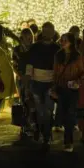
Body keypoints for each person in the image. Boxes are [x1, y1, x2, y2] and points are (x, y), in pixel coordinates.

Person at [25, 22, 60, 150]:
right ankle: (43, 133)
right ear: (42, 32)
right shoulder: (35, 48)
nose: (48, 34)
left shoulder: (57, 48)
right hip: (37, 84)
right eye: (45, 31)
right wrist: (28, 84)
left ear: (53, 32)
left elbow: (60, 68)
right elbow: (29, 67)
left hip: (50, 83)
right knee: (41, 111)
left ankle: (46, 134)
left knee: (48, 110)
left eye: (50, 31)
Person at [52, 33, 84, 152]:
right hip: (61, 88)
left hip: (72, 89)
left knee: (70, 115)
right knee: (63, 113)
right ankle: (67, 140)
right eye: (61, 40)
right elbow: (56, 72)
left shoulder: (77, 56)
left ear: (71, 42)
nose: (62, 42)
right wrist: (54, 86)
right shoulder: (58, 55)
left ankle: (68, 142)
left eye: (65, 40)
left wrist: (78, 81)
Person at [13, 28, 36, 137]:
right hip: (21, 79)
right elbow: (14, 65)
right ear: (22, 38)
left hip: (33, 78)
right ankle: (24, 125)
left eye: (31, 38)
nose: (30, 40)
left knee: (32, 101)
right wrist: (21, 76)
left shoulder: (34, 49)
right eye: (27, 38)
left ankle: (32, 124)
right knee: (24, 101)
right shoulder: (17, 50)